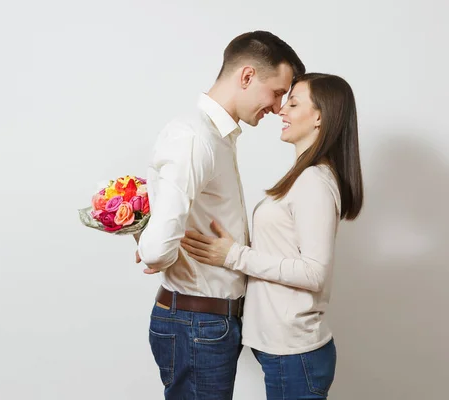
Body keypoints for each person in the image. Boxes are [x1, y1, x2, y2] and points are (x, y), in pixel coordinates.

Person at [134, 31, 305, 399]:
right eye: (277, 92)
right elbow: (156, 250)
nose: (278, 107)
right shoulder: (195, 137)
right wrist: (151, 247)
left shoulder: (217, 136)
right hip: (196, 323)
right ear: (246, 77)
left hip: (208, 323)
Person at [180, 73, 363, 400]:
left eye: (293, 103)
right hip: (286, 353)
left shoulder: (313, 182)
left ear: (320, 116)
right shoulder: (303, 177)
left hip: (295, 355)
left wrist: (234, 254)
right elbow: (283, 249)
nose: (282, 110)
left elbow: (313, 272)